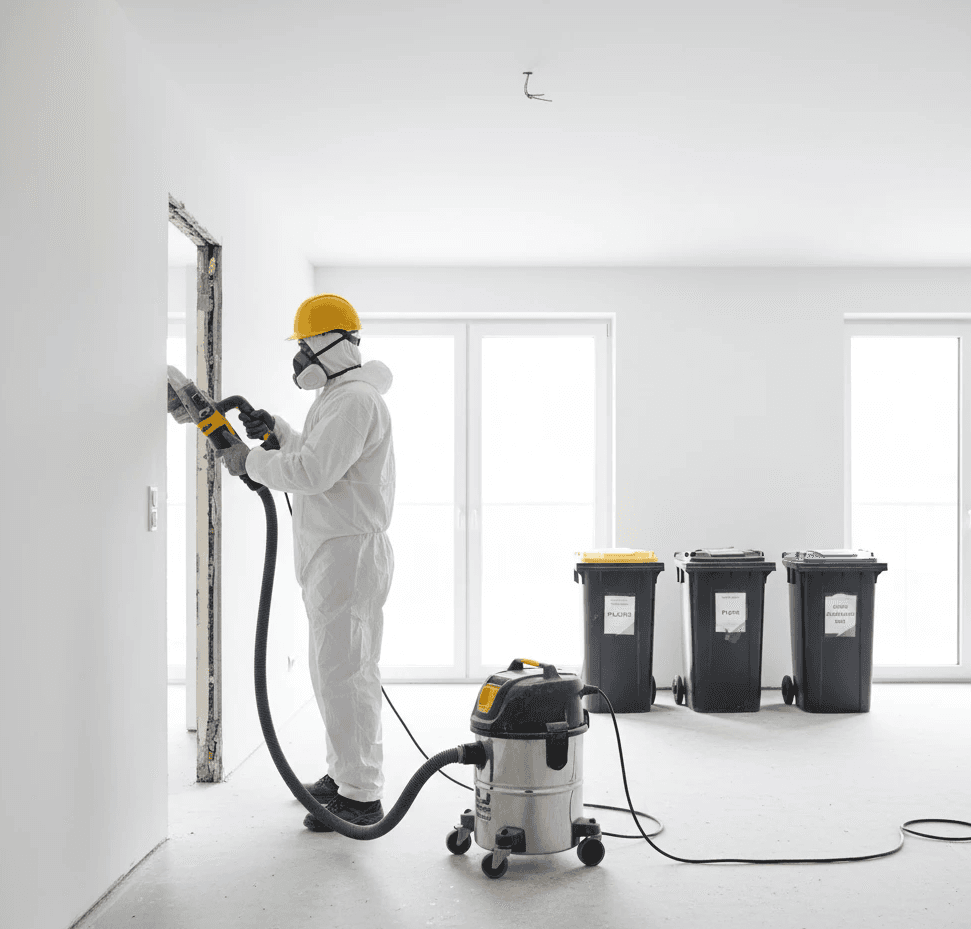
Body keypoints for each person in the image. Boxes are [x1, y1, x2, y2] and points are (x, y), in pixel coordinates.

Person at [217, 293, 395, 831]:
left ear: (331, 345)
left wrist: (250, 459)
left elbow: (315, 472)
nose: (299, 357)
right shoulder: (340, 397)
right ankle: (345, 777)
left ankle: (361, 796)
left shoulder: (354, 400)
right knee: (335, 672)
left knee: (346, 673)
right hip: (335, 549)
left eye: (305, 346)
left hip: (348, 552)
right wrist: (278, 432)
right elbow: (319, 457)